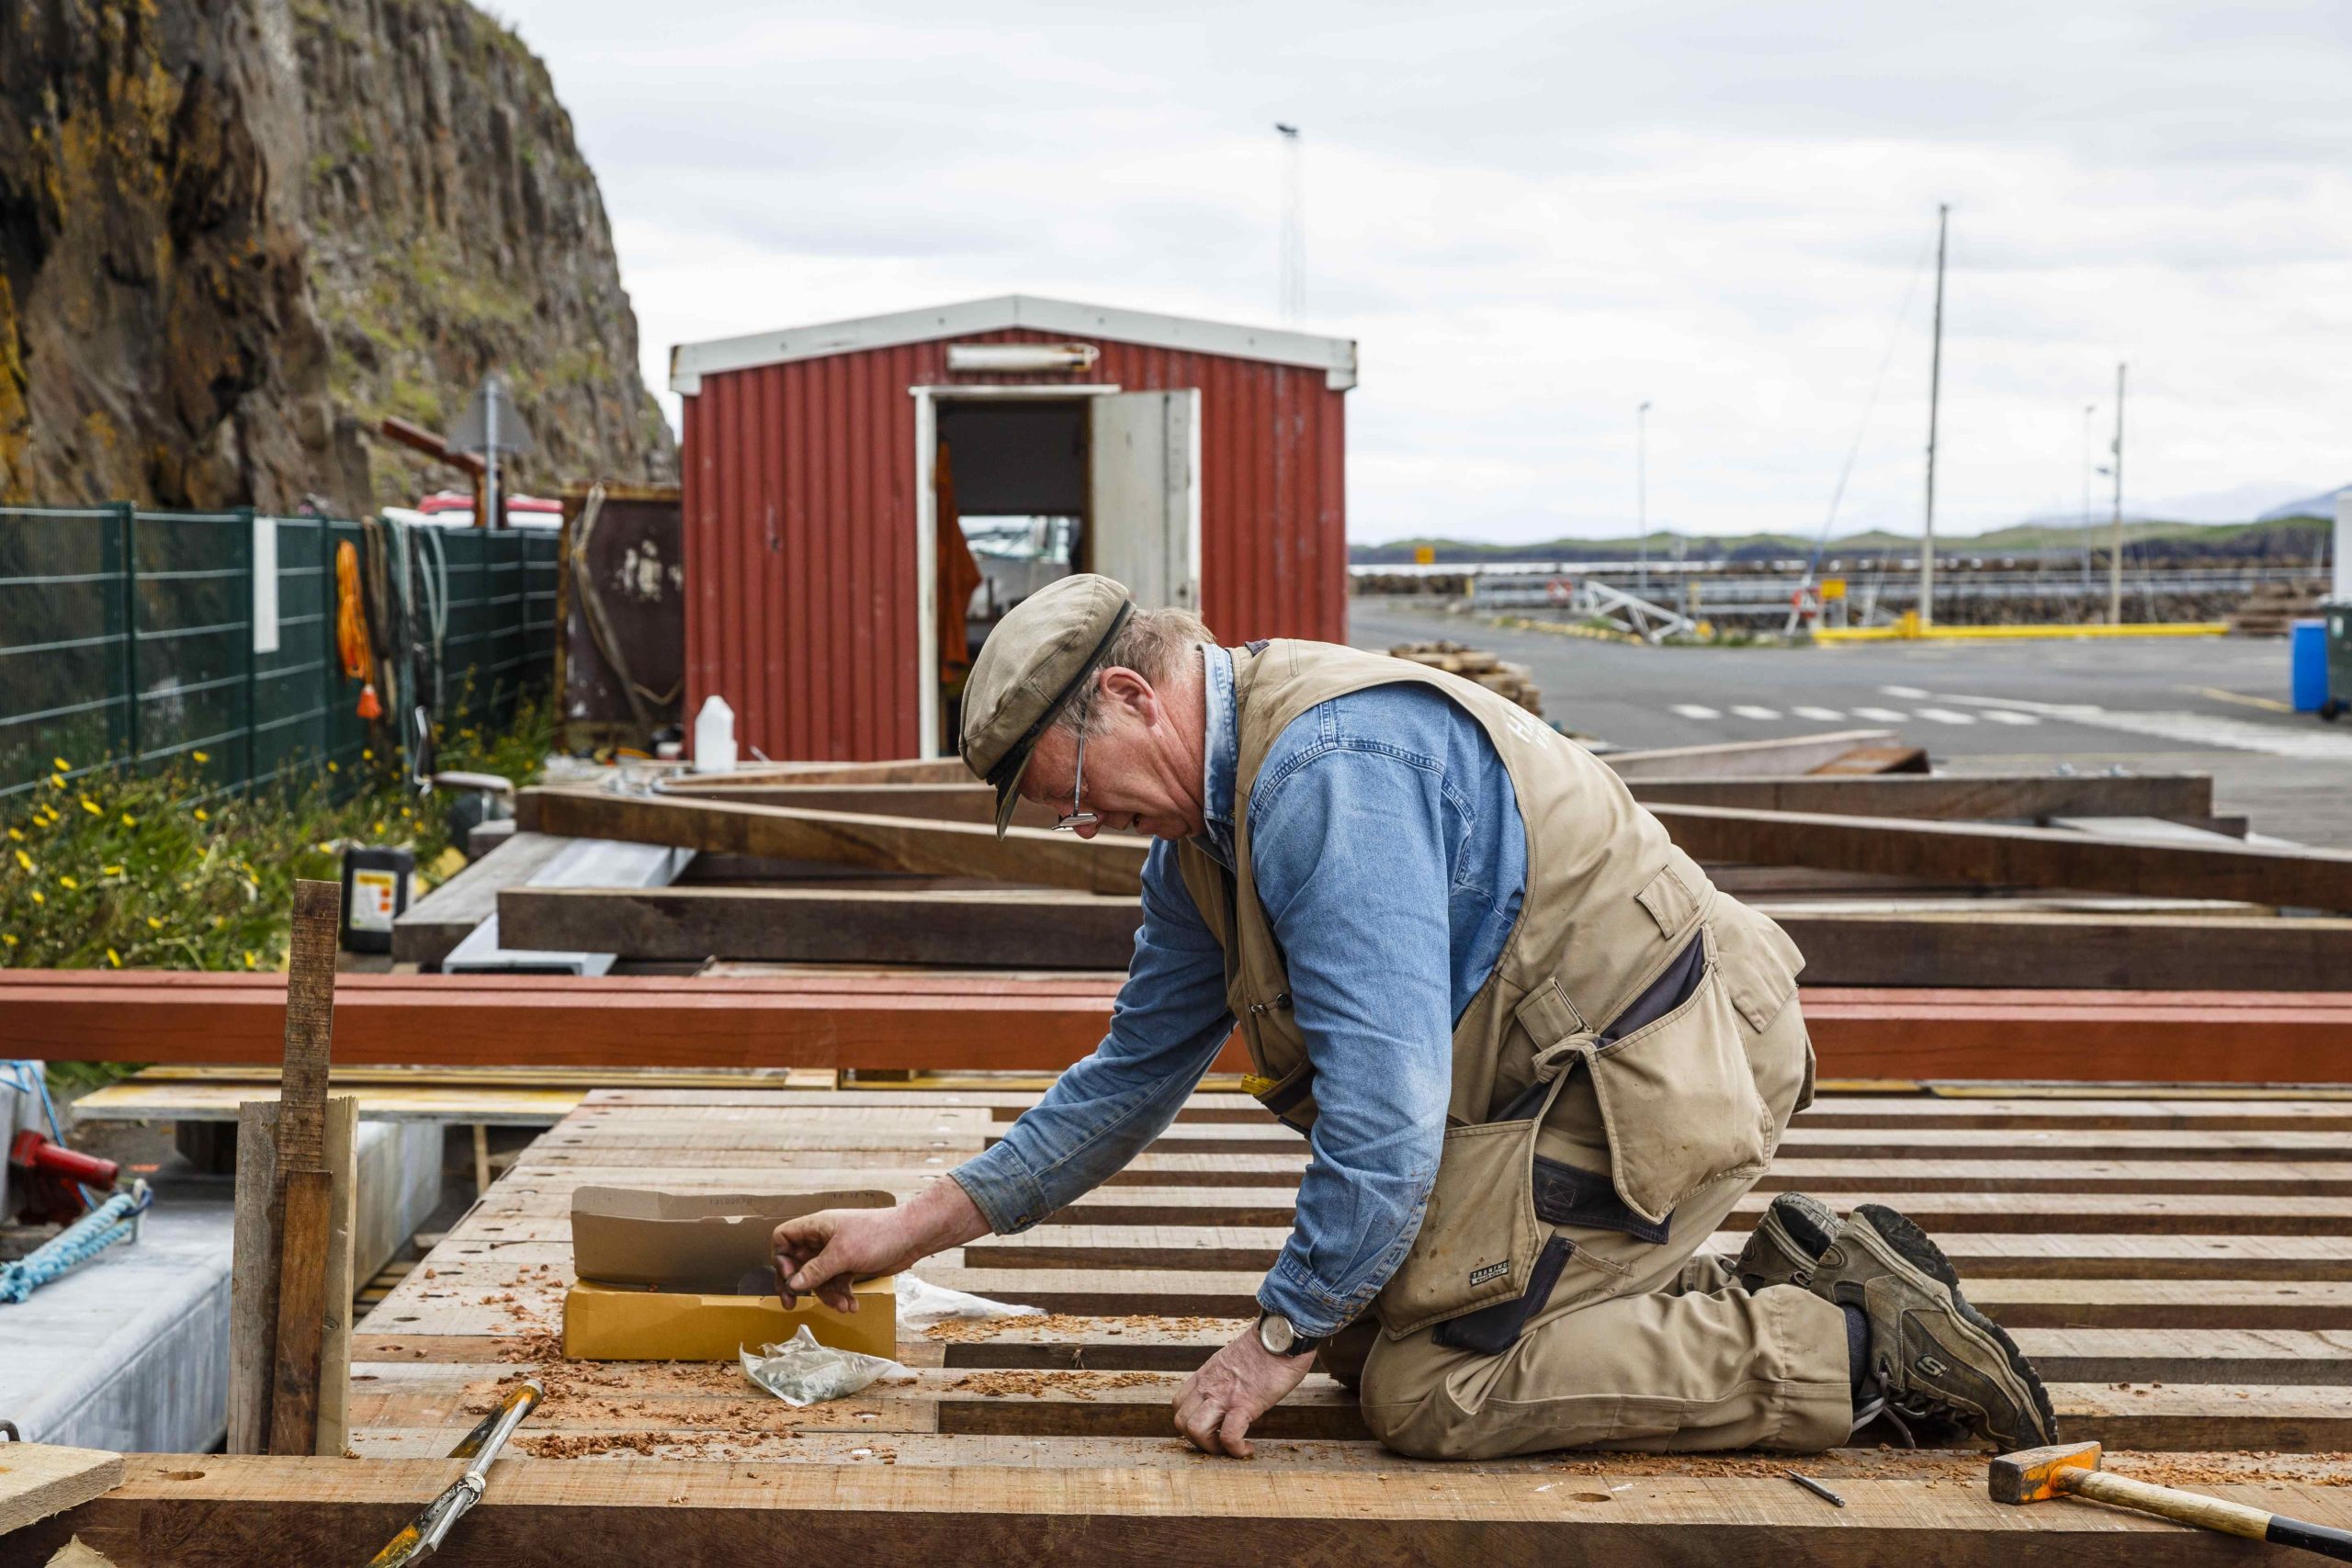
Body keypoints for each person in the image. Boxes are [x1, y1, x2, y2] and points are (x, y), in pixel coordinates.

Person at [772, 573, 2057, 1461]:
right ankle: (1767, 1284)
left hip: (1656, 1076)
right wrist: (918, 1223)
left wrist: (1273, 1335)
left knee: (1429, 1387)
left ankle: (1856, 1348)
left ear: (1131, 695)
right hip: (1561, 1089)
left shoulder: (1326, 784)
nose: (1086, 825)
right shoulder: (1200, 848)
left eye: (1077, 791)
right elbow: (1129, 1076)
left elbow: (1386, 1127)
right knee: (1369, 1316)